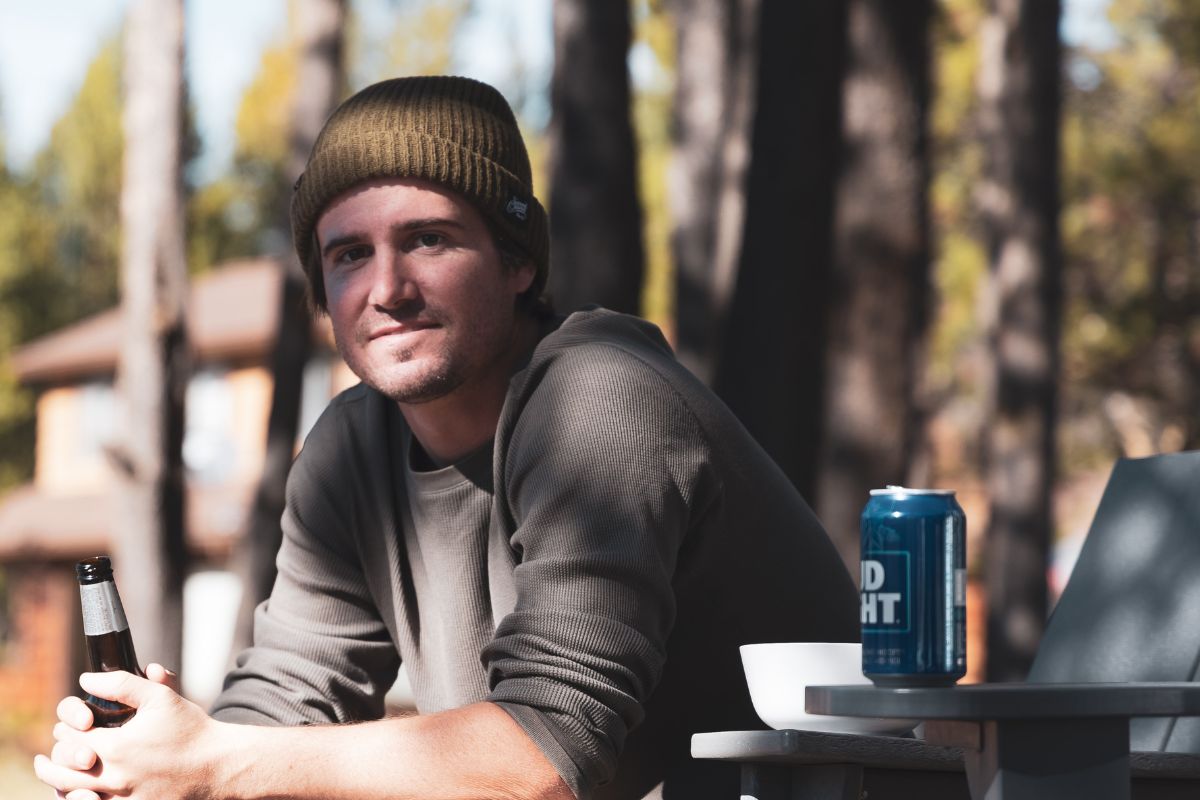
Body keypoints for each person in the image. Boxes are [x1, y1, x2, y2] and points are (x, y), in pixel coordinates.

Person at [36, 75, 858, 800]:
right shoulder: (350, 449)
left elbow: (542, 759)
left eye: (428, 238)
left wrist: (219, 765)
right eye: (350, 254)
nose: (387, 289)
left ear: (517, 261)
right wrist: (162, 761)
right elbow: (287, 698)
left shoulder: (603, 398)